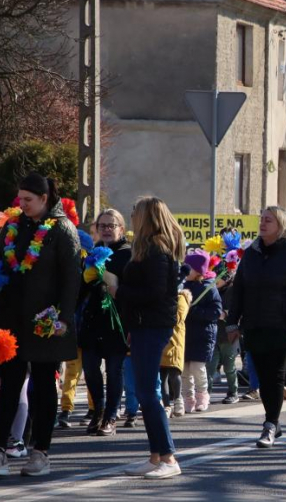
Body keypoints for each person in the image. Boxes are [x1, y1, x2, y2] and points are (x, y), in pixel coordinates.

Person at [0, 173, 81, 477]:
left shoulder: (62, 230)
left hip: (45, 321)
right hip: (11, 319)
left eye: (28, 199)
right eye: (20, 198)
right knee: (9, 385)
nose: (21, 204)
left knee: (43, 386)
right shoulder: (12, 225)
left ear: (44, 199)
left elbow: (71, 279)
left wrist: (62, 317)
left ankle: (40, 452)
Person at [226, 207, 286, 448]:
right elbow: (239, 289)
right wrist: (233, 321)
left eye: (268, 220)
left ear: (281, 225)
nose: (262, 223)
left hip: (282, 326)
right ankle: (274, 420)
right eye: (261, 219)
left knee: (276, 376)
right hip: (254, 324)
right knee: (263, 378)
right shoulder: (251, 253)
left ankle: (269, 424)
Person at [113, 196, 185, 479]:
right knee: (146, 391)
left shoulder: (156, 249)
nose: (131, 215)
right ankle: (156, 456)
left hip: (152, 326)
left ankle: (168, 456)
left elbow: (155, 293)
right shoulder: (151, 248)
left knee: (147, 392)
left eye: (135, 212)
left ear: (147, 217)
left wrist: (118, 291)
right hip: (145, 325)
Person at [80, 209, 133, 437]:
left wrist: (116, 288)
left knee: (114, 371)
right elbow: (82, 288)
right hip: (93, 319)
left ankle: (110, 415)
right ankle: (98, 411)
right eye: (102, 226)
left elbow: (133, 289)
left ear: (121, 228)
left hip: (117, 320)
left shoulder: (128, 254)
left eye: (112, 225)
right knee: (90, 369)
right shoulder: (91, 253)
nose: (107, 230)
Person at [181, 249, 222, 413]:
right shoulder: (182, 286)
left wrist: (193, 311)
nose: (184, 270)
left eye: (188, 267)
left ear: (198, 270)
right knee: (184, 370)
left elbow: (215, 312)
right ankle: (188, 398)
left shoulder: (209, 288)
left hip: (203, 335)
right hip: (186, 334)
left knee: (197, 368)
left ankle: (202, 395)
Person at [161, 266, 191, 417]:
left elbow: (178, 318)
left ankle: (178, 399)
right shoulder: (162, 296)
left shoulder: (181, 298)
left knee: (174, 373)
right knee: (162, 375)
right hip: (161, 339)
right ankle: (166, 404)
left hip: (174, 340)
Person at [207, 265, 239, 405]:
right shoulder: (211, 290)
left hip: (229, 336)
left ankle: (233, 392)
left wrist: (225, 314)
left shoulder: (234, 291)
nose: (214, 280)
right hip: (212, 334)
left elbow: (240, 311)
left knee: (229, 367)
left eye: (217, 278)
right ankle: (205, 394)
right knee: (209, 367)